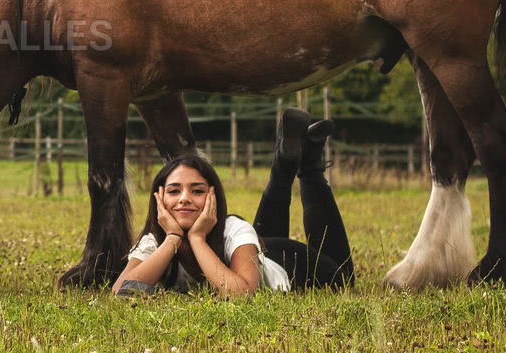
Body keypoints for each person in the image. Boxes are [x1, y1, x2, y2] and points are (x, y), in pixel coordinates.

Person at [112, 108, 354, 297]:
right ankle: (288, 162)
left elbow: (241, 294)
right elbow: (122, 291)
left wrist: (196, 239)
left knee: (345, 278)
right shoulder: (156, 239)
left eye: (197, 190)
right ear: (159, 198)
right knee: (253, 243)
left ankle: (307, 166)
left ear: (213, 196)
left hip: (295, 265)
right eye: (174, 191)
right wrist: (173, 240)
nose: (184, 198)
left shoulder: (233, 229)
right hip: (257, 252)